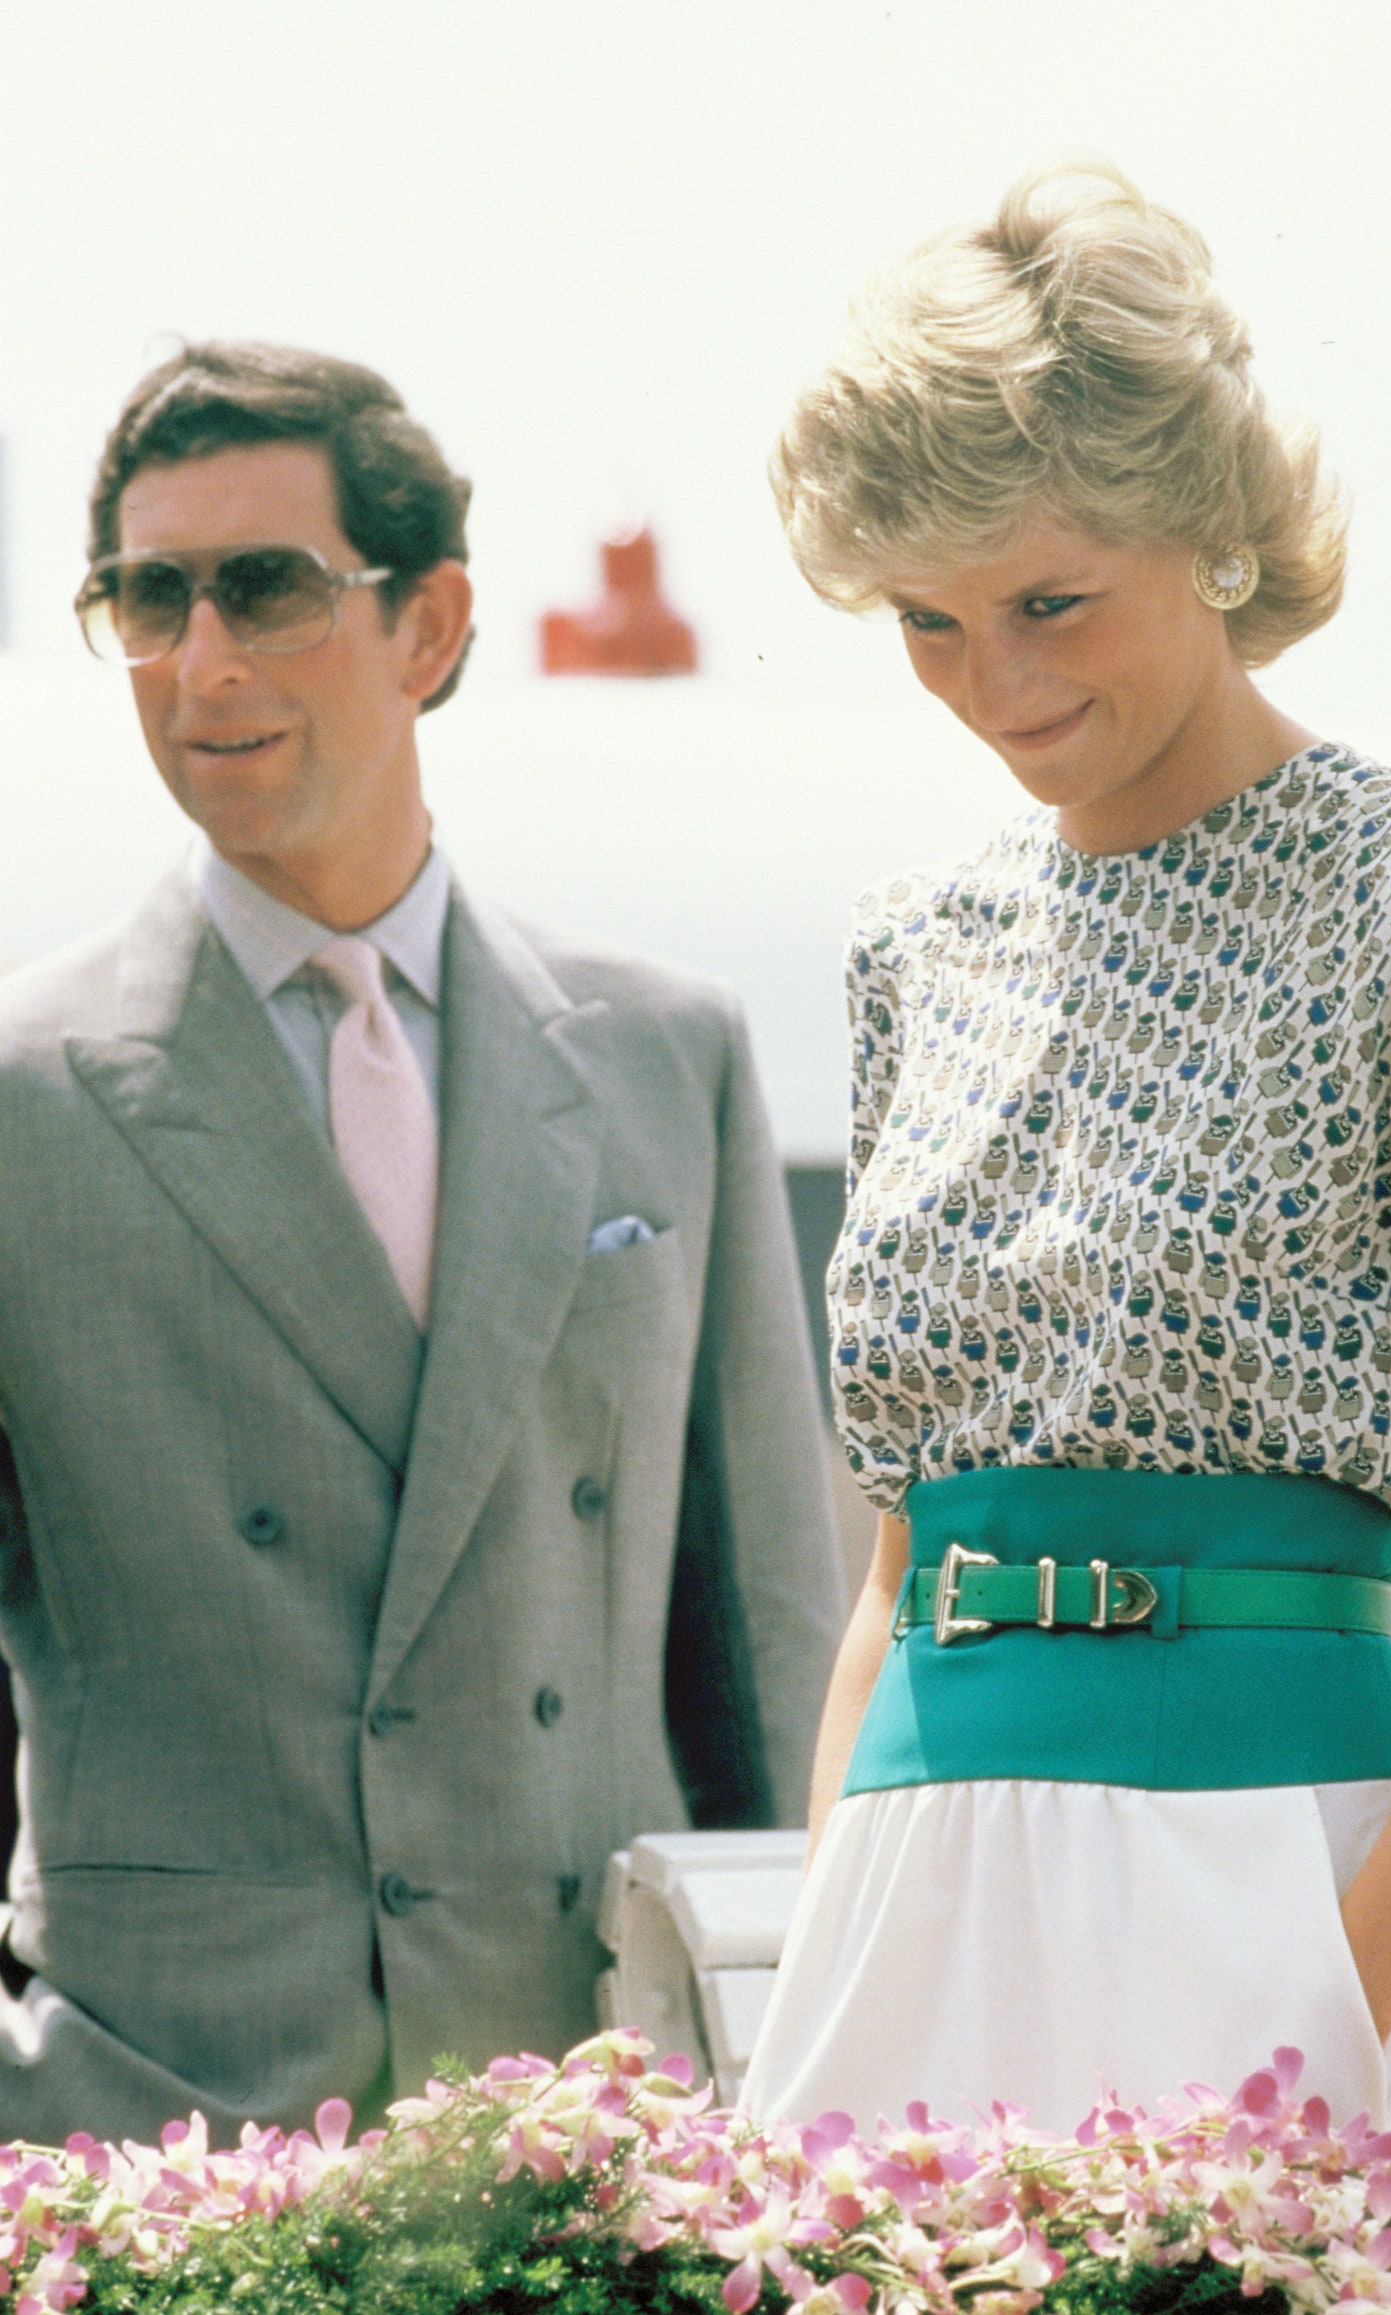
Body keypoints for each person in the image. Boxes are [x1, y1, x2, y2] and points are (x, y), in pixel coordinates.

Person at [741, 160, 1391, 2142]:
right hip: (913, 1897)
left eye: (1048, 601)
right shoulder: (914, 948)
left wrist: (1322, 2016)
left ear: (1207, 532)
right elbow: (900, 1551)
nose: (994, 683)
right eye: (925, 622)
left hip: (1279, 1893)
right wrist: (828, 1947)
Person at [0, 342, 844, 2145]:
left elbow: (764, 1641)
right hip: (157, 2130)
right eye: (151, 598)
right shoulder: (18, 1099)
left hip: (595, 2118)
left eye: (269, 589)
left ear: (431, 627)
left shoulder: (662, 1057)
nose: (201, 661)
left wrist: (787, 2108)